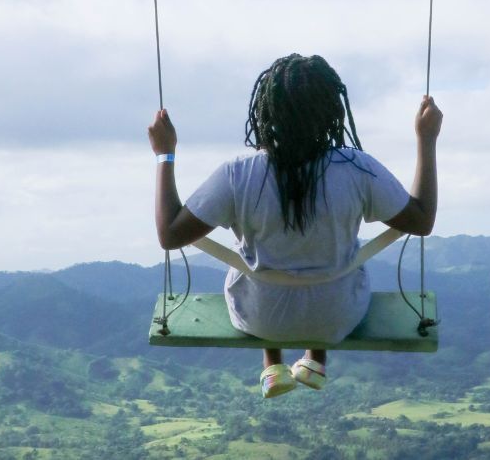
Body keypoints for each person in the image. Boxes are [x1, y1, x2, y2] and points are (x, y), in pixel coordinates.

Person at [148, 53, 441, 398]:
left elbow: (170, 234)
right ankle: (315, 358)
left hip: (260, 317)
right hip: (337, 316)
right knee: (331, 258)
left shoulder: (239, 173)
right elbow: (421, 220)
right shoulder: (356, 169)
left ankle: (272, 365)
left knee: (253, 259)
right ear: (332, 111)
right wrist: (427, 139)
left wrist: (164, 154)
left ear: (266, 112)